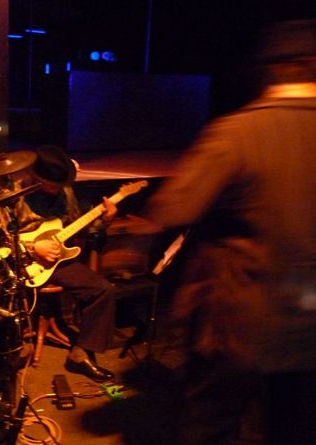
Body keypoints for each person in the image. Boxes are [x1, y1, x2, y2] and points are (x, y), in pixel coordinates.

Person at [137, 19, 316, 445]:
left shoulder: (239, 131)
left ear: (273, 70)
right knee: (294, 425)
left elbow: (174, 207)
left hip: (243, 322)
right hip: (309, 325)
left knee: (209, 425)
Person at [0, 144, 118, 382]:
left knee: (103, 290)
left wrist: (105, 220)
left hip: (59, 260)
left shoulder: (65, 191)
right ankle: (7, 355)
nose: (56, 189)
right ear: (36, 177)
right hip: (22, 262)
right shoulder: (13, 194)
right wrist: (32, 248)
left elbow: (78, 226)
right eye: (51, 184)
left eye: (59, 184)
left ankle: (81, 354)